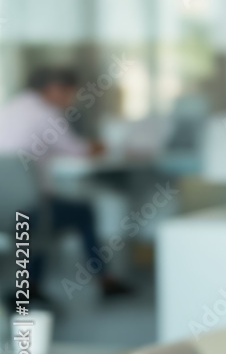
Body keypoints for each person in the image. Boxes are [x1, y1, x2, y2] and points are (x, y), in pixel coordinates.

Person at [0, 66, 132, 302]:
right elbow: (78, 150)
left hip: (5, 208)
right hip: (31, 210)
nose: (70, 100)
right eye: (69, 93)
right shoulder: (46, 114)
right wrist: (106, 146)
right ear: (54, 89)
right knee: (81, 212)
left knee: (40, 218)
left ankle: (31, 285)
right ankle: (105, 280)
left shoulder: (7, 109)